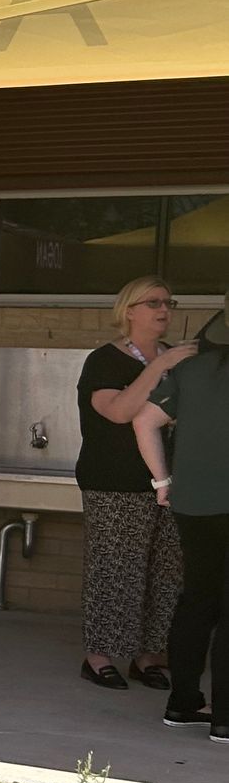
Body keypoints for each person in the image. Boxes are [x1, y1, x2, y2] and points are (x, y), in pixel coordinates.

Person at [77, 277, 190, 690]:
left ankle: (148, 657)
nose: (163, 310)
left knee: (166, 572)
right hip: (115, 481)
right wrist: (158, 366)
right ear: (129, 311)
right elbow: (120, 412)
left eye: (168, 303)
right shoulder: (105, 360)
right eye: (153, 302)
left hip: (172, 482)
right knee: (116, 569)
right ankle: (99, 656)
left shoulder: (176, 359)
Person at [137, 306, 229, 737]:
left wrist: (162, 481)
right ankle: (224, 719)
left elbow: (144, 421)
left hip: (192, 503)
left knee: (198, 600)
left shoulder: (190, 368)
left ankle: (183, 702)